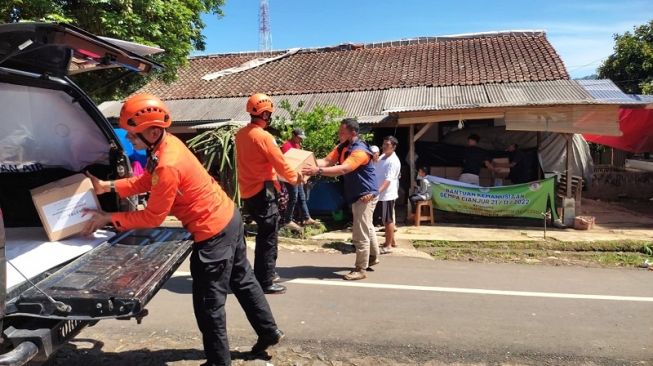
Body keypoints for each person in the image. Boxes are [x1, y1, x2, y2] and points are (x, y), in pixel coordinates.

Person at [81, 93, 284, 366]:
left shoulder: (168, 163)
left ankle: (218, 362)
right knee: (243, 280)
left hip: (212, 231)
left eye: (132, 134)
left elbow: (153, 217)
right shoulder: (165, 146)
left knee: (208, 304)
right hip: (228, 217)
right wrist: (109, 186)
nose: (128, 139)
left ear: (153, 131)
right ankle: (269, 332)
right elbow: (146, 182)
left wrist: (108, 218)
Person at [235, 93, 302, 295]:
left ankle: (262, 274)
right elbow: (280, 163)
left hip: (247, 190)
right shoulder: (264, 137)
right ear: (264, 114)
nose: (270, 117)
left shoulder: (241, 134)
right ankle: (265, 280)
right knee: (268, 237)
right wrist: (295, 178)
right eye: (269, 114)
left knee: (263, 235)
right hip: (263, 192)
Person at [302, 118, 379, 280]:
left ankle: (360, 269)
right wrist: (307, 163)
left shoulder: (359, 150)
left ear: (353, 133)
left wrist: (317, 171)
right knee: (367, 226)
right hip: (359, 192)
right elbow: (327, 161)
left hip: (365, 194)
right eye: (339, 132)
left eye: (342, 133)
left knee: (360, 231)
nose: (339, 135)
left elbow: (345, 168)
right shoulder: (342, 146)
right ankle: (372, 257)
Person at [280, 128, 317, 228]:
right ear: (293, 135)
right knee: (293, 197)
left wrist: (303, 177)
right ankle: (287, 221)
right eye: (299, 138)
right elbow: (287, 163)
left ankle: (306, 218)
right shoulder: (286, 146)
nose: (300, 140)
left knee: (302, 197)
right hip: (290, 176)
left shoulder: (297, 145)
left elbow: (300, 162)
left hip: (298, 175)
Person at [376, 136, 401, 252]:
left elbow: (388, 180)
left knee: (388, 220)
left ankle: (388, 245)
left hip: (387, 195)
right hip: (381, 194)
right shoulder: (383, 156)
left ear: (394, 147)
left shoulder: (393, 161)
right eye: (384, 144)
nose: (384, 146)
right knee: (386, 219)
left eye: (387, 145)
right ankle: (392, 241)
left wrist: (377, 191)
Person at [370, 145, 383, 228]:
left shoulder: (382, 161)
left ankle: (379, 221)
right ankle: (373, 221)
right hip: (372, 187)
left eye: (376, 153)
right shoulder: (368, 163)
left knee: (380, 205)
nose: (375, 155)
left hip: (381, 187)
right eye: (373, 153)